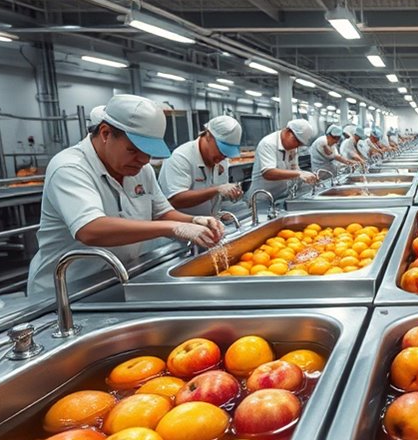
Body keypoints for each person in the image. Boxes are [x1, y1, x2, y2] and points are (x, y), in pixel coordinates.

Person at [27, 95, 224, 299]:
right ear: (105, 133)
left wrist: (195, 221)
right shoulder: (70, 167)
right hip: (67, 290)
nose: (143, 160)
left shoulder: (141, 169)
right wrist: (176, 228)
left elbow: (162, 212)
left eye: (148, 152)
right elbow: (90, 229)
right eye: (134, 150)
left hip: (119, 276)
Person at [159, 115, 244, 217]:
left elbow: (213, 196)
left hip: (208, 222)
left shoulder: (221, 159)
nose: (223, 156)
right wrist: (217, 189)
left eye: (227, 153)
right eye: (221, 149)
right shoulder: (181, 157)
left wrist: (227, 197)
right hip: (181, 227)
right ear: (208, 135)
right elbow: (175, 200)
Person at [249, 118, 318, 198]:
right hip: (262, 196)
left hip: (281, 195)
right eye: (297, 141)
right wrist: (299, 174)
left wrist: (307, 176)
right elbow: (268, 173)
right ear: (288, 131)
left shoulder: (292, 148)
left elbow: (294, 169)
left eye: (300, 144)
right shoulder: (268, 143)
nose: (297, 146)